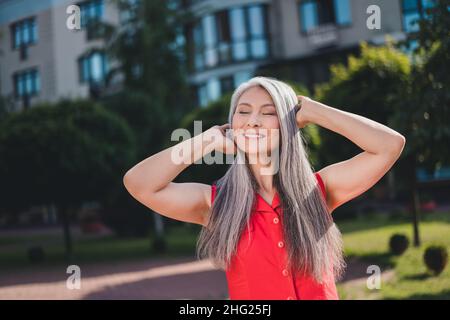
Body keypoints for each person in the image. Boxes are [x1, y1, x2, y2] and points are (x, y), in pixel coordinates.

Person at [123, 76, 405, 300]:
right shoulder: (215, 204)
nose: (253, 120)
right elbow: (139, 184)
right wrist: (208, 140)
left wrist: (314, 111)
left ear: (288, 124)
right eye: (243, 112)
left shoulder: (319, 190)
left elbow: (389, 146)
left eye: (268, 113)